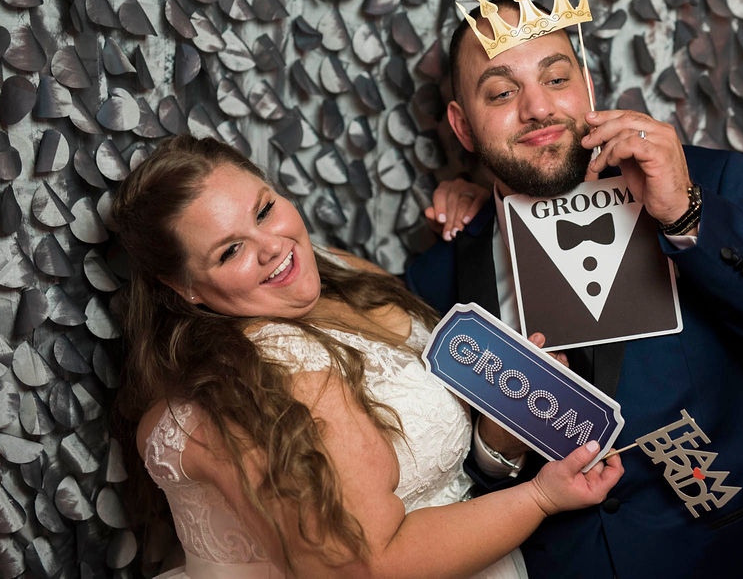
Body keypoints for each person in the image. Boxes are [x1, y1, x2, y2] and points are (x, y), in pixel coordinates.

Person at [405, 0, 743, 578]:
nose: (538, 108)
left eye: (556, 79)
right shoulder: (436, 274)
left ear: (587, 86)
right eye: (501, 92)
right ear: (463, 126)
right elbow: (447, 479)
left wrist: (686, 213)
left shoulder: (703, 182)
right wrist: (499, 449)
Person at [108, 134, 623, 578]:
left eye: (264, 210)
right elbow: (367, 564)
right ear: (184, 286)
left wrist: (498, 430)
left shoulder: (333, 270)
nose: (272, 246)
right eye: (230, 251)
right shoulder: (272, 367)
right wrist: (540, 498)